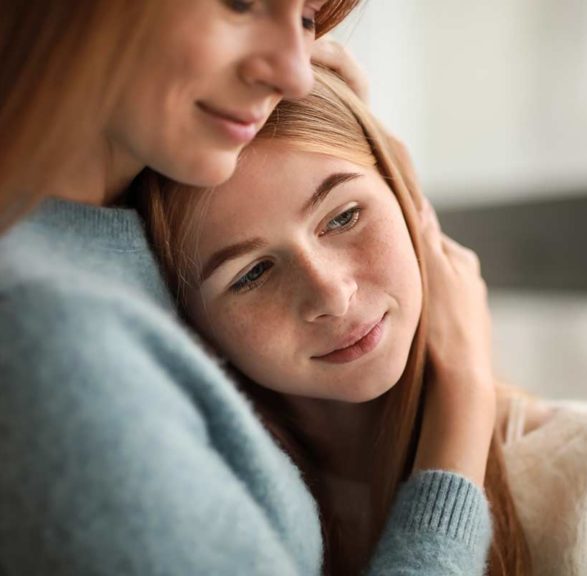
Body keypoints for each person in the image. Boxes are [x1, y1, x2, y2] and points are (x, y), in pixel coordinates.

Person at [140, 66, 587, 576]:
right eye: (250, 274)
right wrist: (466, 393)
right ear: (194, 329)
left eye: (343, 216)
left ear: (409, 205)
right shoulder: (207, 517)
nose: (331, 292)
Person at [0, 3, 498, 575]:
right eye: (241, 2)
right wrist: (463, 404)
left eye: (307, 17)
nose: (295, 73)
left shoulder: (119, 225)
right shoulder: (44, 339)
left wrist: (352, 135)